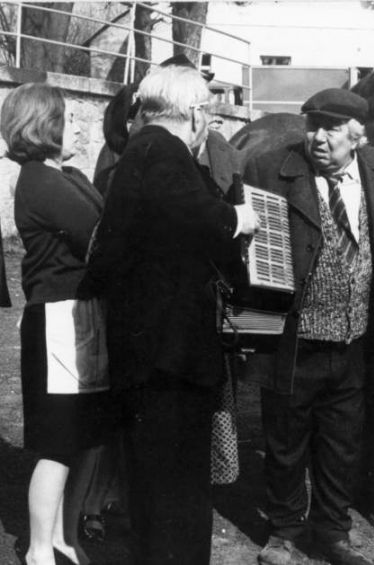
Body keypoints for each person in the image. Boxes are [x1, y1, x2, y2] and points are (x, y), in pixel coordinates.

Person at [241, 88, 374, 565]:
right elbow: (252, 252)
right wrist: (251, 332)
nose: (318, 138)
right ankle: (284, 531)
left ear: (356, 135)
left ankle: (333, 532)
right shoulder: (272, 169)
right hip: (295, 337)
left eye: (331, 129)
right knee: (285, 441)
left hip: (353, 339)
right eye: (313, 127)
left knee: (341, 443)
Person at [83, 65, 259, 565]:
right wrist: (238, 218)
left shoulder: (141, 148)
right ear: (197, 114)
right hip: (169, 356)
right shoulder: (163, 150)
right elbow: (193, 214)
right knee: (175, 487)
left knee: (156, 486)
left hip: (149, 350)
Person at [2, 82, 113, 565]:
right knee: (59, 441)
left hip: (82, 316)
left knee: (87, 436)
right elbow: (101, 235)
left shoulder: (65, 176)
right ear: (44, 126)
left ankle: (66, 536)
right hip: (59, 323)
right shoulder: (40, 181)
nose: (80, 129)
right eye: (70, 119)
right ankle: (39, 549)